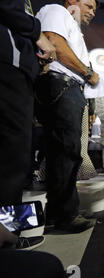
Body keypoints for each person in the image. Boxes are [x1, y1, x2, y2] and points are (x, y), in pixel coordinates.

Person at [34, 0, 99, 233]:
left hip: (67, 89)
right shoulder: (57, 11)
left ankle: (61, 211)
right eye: (89, 5)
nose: (92, 12)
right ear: (72, 1)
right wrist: (88, 72)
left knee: (64, 152)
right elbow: (54, 42)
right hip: (60, 86)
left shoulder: (71, 24)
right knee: (65, 152)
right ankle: (64, 215)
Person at [0, 0, 56, 206]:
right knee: (12, 157)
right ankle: (7, 233)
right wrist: (38, 34)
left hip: (16, 67)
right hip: (9, 68)